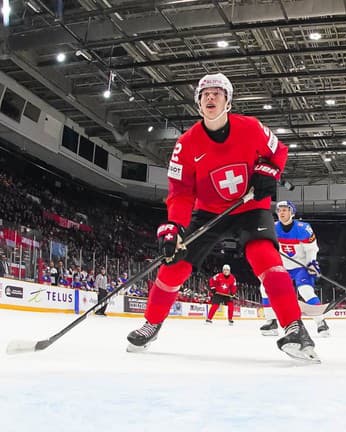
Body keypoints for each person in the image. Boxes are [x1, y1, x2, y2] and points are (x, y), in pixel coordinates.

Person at [126, 73, 319, 362]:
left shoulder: (251, 128)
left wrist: (269, 171)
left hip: (251, 206)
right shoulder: (186, 144)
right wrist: (173, 227)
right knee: (175, 264)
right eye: (205, 94)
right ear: (198, 104)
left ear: (228, 101)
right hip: (208, 211)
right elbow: (180, 191)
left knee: (265, 257)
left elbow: (278, 152)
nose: (210, 97)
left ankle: (295, 328)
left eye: (217, 93)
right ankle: (151, 323)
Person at [259, 200, 330, 337]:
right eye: (279, 211)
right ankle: (271, 321)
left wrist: (311, 264)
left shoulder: (303, 228)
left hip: (300, 267)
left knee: (306, 291)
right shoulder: (273, 228)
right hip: (282, 266)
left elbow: (311, 249)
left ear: (292, 212)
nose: (281, 213)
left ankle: (321, 323)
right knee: (264, 287)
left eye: (285, 210)